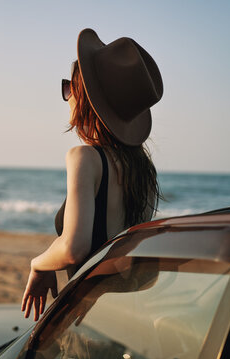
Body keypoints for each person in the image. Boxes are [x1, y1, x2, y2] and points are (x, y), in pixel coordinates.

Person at [21, 28, 163, 321]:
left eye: (69, 88)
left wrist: (38, 264)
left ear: (85, 98)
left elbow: (75, 248)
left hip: (90, 319)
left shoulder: (84, 158)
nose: (67, 97)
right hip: (130, 317)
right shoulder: (144, 171)